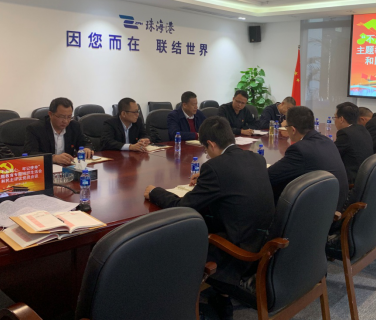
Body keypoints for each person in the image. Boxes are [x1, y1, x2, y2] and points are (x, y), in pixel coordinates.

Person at [144, 116, 274, 319]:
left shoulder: (214, 168)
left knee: (174, 238)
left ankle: (178, 306)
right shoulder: (256, 158)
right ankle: (221, 297)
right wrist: (206, 181)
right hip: (261, 241)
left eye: (206, 149)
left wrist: (155, 192)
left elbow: (183, 207)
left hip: (236, 253)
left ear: (211, 144)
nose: (207, 154)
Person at [267, 106, 348, 211]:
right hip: (337, 203)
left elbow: (270, 176)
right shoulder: (326, 141)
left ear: (293, 129)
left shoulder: (300, 149)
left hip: (319, 212)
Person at [24, 97, 94, 165]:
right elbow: (30, 153)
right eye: (61, 117)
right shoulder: (35, 128)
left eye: (69, 117)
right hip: (46, 168)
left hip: (68, 167)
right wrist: (53, 158)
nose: (65, 121)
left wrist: (87, 148)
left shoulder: (74, 126)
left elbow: (85, 142)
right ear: (50, 114)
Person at [333, 102, 374, 184]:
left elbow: (332, 155)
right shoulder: (363, 129)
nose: (334, 121)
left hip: (352, 180)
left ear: (341, 119)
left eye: (335, 117)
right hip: (365, 176)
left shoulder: (345, 134)